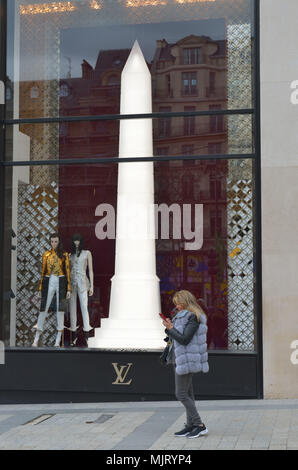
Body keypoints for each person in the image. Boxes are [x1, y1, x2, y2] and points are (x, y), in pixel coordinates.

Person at [161, 290, 209, 439]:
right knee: (188, 394)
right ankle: (190, 425)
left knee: (180, 394)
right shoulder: (181, 316)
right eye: (176, 304)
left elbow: (184, 339)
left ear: (186, 302)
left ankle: (199, 425)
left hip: (187, 359)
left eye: (179, 303)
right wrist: (169, 326)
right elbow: (175, 335)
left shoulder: (193, 317)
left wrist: (171, 329)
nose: (177, 307)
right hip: (179, 358)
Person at [32, 233, 71, 347]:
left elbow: (67, 271)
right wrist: (40, 288)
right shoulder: (46, 255)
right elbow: (43, 272)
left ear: (59, 242)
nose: (54, 243)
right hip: (49, 280)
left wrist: (68, 288)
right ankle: (36, 338)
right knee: (43, 307)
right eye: (52, 241)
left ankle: (58, 339)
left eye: (56, 241)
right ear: (50, 242)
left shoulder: (64, 255)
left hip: (62, 280)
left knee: (61, 309)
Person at [69, 233, 93, 346]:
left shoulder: (87, 253)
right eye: (74, 241)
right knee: (72, 307)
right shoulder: (70, 255)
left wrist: (92, 285)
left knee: (84, 306)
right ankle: (73, 333)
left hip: (83, 282)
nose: (76, 243)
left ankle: (87, 331)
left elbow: (91, 271)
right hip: (72, 282)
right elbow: (68, 271)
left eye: (78, 240)